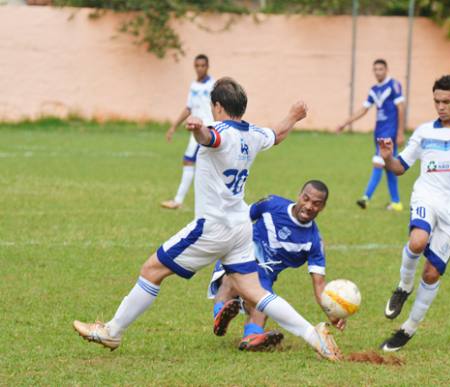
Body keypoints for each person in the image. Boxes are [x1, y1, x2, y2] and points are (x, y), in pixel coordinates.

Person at [73, 77, 341, 361]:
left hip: (212, 228)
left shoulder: (218, 130)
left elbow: (211, 139)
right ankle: (315, 336)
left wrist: (199, 129)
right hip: (240, 229)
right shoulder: (252, 134)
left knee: (151, 270)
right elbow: (277, 134)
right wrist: (294, 115)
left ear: (217, 106)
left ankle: (112, 331)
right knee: (255, 292)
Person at [377, 75, 450, 351]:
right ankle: (404, 287)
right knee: (417, 241)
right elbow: (400, 167)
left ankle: (408, 329)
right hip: (426, 197)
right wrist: (387, 158)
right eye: (436, 102)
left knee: (430, 274)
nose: (440, 107)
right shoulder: (424, 132)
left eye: (446, 102)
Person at [208, 181, 347, 351]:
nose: (309, 206)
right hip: (240, 256)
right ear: (299, 196)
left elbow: (319, 284)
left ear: (323, 207)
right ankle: (220, 314)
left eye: (316, 204)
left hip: (264, 277)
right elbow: (239, 218)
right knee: (231, 280)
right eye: (306, 199)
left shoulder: (314, 242)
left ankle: (252, 336)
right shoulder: (271, 204)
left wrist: (331, 312)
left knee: (265, 303)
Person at [336, 59, 406, 211]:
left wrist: (400, 132)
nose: (378, 72)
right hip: (379, 132)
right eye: (375, 69)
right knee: (390, 167)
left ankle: (365, 198)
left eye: (381, 69)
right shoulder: (374, 89)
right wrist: (345, 123)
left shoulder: (394, 85)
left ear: (386, 69)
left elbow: (401, 108)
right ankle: (396, 203)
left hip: (389, 133)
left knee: (378, 163)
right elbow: (363, 109)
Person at [161, 54, 215, 210]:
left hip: (206, 129)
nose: (200, 68)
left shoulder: (212, 85)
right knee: (195, 163)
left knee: (192, 161)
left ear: (207, 66)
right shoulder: (194, 85)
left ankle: (178, 201)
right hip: (195, 130)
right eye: (197, 65)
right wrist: (174, 126)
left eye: (203, 65)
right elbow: (188, 108)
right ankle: (180, 201)